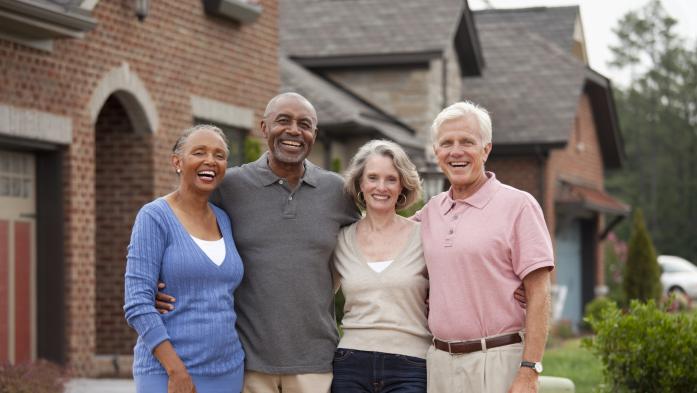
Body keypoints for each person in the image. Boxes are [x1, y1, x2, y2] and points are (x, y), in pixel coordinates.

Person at [156, 92, 360, 393]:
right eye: (283, 121)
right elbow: (179, 222)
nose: (293, 130)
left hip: (315, 361)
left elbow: (375, 238)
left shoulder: (337, 191)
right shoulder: (229, 187)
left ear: (314, 135)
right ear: (264, 128)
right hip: (245, 362)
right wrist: (159, 285)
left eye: (304, 124)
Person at [415, 101, 554, 393]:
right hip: (439, 363)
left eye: (467, 141)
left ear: (486, 149)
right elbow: (384, 236)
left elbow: (540, 292)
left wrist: (530, 371)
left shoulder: (519, 206)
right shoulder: (429, 212)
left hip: (497, 360)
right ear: (436, 153)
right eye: (446, 143)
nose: (456, 151)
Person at [124, 125, 245, 393]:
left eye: (219, 155)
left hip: (228, 371)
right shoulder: (155, 216)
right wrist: (175, 370)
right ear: (177, 162)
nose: (210, 161)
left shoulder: (223, 219)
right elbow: (137, 304)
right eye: (199, 152)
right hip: (168, 373)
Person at [331, 140, 430, 392]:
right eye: (373, 177)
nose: (381, 187)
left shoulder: (424, 236)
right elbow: (318, 298)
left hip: (411, 365)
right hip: (351, 363)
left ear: (402, 186)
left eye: (391, 179)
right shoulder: (341, 239)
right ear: (360, 184)